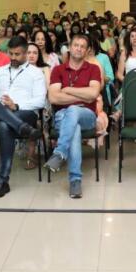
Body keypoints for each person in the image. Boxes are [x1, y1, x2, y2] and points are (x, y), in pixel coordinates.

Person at [0, 37, 46, 200]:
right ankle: (21, 128)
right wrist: (4, 108)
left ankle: (2, 181)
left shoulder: (36, 73)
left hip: (25, 113)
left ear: (25, 54)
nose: (13, 57)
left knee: (4, 126)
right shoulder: (0, 71)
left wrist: (16, 105)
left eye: (17, 54)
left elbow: (40, 101)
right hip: (3, 112)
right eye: (11, 54)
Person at [44, 34, 102, 199]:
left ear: (87, 50)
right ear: (70, 47)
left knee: (73, 111)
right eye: (76, 45)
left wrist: (67, 90)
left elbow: (93, 94)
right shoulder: (58, 70)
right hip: (62, 116)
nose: (78, 48)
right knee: (73, 126)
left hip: (87, 115)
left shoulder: (93, 69)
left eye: (82, 46)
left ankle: (60, 152)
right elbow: (54, 97)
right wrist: (82, 96)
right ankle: (75, 181)